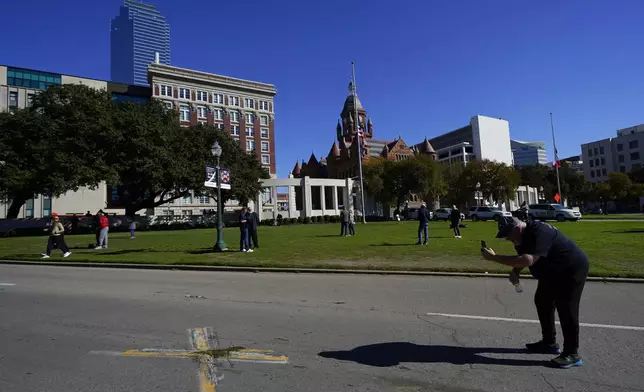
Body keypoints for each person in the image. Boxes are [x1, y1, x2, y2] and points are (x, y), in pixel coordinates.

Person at [481, 217, 589, 369]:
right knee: (542, 301)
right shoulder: (520, 238)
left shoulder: (539, 231)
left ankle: (572, 354)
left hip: (571, 268)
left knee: (566, 308)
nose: (507, 239)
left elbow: (527, 259)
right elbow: (521, 257)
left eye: (508, 235)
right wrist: (515, 272)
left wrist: (493, 258)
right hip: (552, 271)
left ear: (517, 229)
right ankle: (549, 343)